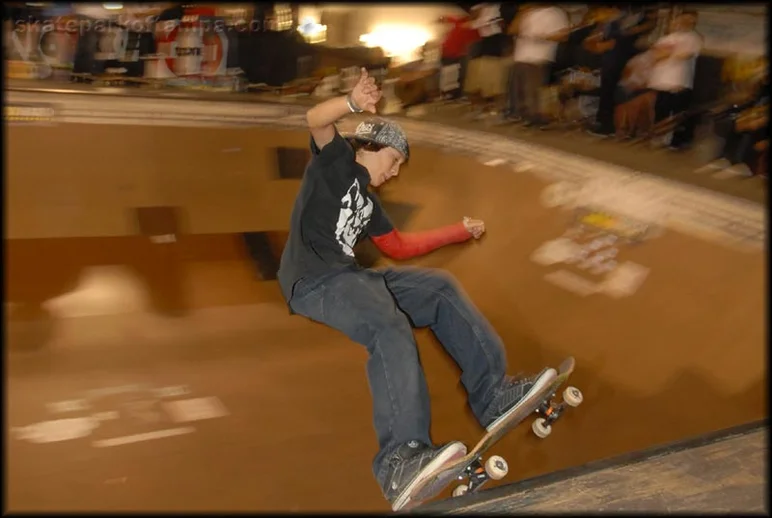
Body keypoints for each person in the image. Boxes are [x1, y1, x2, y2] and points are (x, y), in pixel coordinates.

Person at [276, 68, 557, 511]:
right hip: (313, 281)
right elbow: (315, 119)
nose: (397, 171)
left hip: (353, 279)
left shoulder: (369, 204)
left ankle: (492, 395)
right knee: (387, 325)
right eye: (396, 160)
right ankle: (400, 460)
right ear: (373, 147)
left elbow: (401, 248)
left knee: (438, 288)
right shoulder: (336, 165)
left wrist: (458, 232)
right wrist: (350, 103)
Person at [646, 10, 704, 150]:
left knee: (678, 113)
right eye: (683, 19)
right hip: (662, 80)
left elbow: (685, 55)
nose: (685, 23)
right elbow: (655, 55)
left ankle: (677, 142)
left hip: (680, 81)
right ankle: (659, 138)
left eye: (690, 21)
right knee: (661, 110)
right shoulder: (667, 38)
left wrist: (668, 53)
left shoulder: (694, 38)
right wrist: (669, 53)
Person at [508, 3, 570, 127]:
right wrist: (522, 13)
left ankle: (537, 118)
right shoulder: (529, 12)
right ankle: (523, 115)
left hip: (539, 57)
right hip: (521, 56)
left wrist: (543, 37)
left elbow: (564, 35)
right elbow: (512, 30)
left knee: (534, 91)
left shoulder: (555, 13)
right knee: (519, 90)